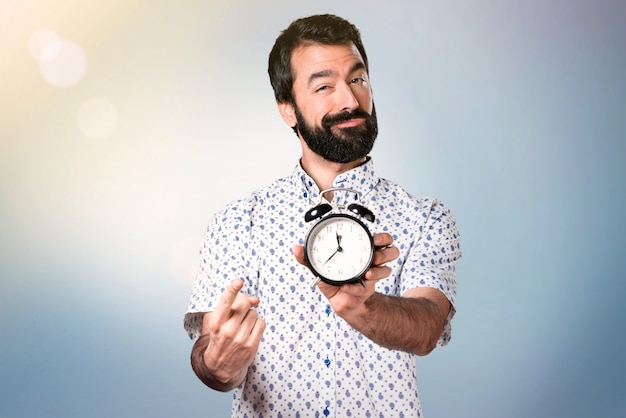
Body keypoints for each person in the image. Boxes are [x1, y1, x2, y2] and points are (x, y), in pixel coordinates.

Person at [184, 14, 461, 417]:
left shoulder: (425, 218)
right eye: (324, 86)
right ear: (287, 109)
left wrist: (364, 308)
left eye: (358, 79)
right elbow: (212, 360)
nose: (349, 100)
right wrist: (218, 363)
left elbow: (427, 328)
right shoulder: (238, 222)